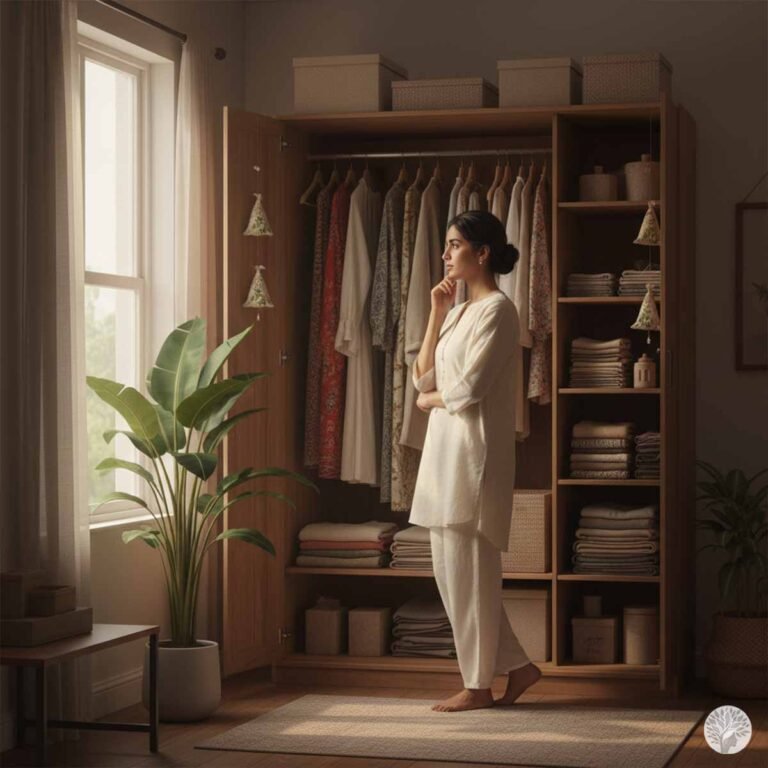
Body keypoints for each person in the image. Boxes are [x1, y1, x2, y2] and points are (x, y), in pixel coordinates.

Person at [408, 209, 542, 712]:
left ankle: (479, 685)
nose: (445, 255)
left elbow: (466, 391)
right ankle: (519, 669)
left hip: (474, 458)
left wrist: (429, 402)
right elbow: (423, 378)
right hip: (444, 458)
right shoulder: (461, 312)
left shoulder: (499, 313)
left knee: (472, 576)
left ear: (481, 253)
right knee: (452, 577)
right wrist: (436, 313)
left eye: (453, 245)